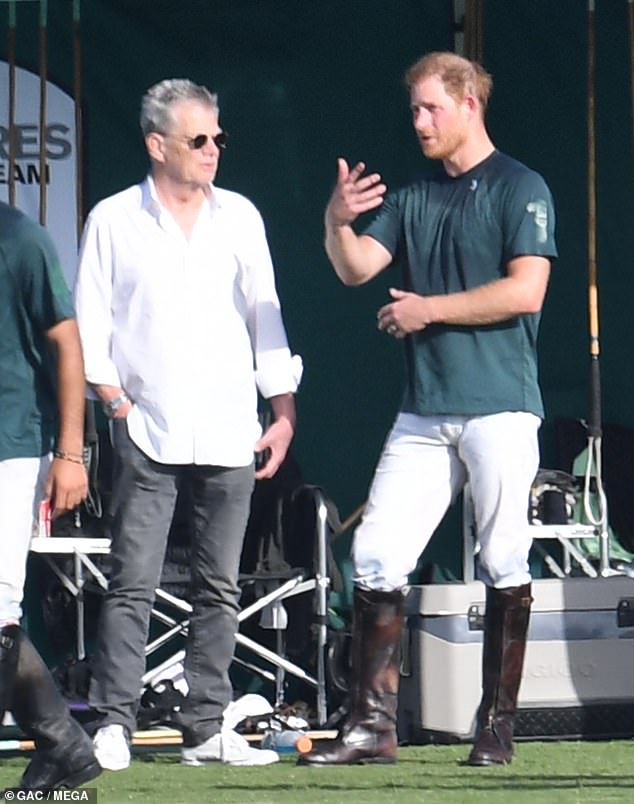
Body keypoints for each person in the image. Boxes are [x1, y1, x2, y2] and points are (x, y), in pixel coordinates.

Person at [298, 51, 556, 767]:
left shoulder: (520, 187)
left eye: (430, 108)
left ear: (470, 102)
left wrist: (428, 311)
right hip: (425, 409)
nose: (418, 122)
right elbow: (354, 269)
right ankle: (369, 728)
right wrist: (336, 218)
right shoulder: (413, 197)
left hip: (502, 407)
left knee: (503, 558)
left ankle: (496, 726)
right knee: (377, 556)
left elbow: (526, 291)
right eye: (413, 109)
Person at [73, 78, 300, 770]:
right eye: (198, 139)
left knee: (220, 585)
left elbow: (267, 315)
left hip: (232, 426)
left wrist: (283, 409)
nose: (212, 150)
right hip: (147, 427)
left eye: (218, 138)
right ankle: (114, 720)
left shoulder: (241, 217)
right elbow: (90, 320)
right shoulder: (114, 218)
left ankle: (205, 728)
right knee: (132, 579)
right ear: (157, 143)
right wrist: (115, 403)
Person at [0, 201, 102, 790]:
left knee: (1, 607)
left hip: (12, 440)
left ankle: (64, 745)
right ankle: (63, 744)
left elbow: (67, 342)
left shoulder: (19, 237)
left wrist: (70, 454)